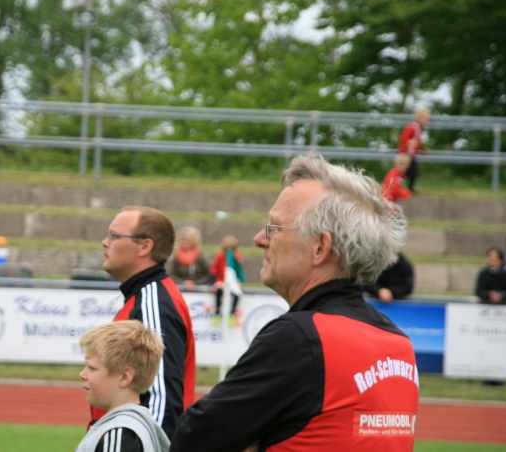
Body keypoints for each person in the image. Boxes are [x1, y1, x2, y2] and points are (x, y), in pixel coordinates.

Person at [171, 154, 418, 452]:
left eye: (274, 227)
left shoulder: (301, 338)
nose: (259, 238)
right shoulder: (399, 344)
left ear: (320, 247)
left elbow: (192, 440)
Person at [95, 206, 196, 438]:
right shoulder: (146, 297)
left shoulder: (153, 303)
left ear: (144, 246)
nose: (105, 242)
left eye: (114, 235)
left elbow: (160, 400)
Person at [76, 320, 170, 452]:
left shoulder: (119, 434)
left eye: (92, 368)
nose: (82, 374)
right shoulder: (141, 423)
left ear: (125, 377)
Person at [209, 235, 245, 323]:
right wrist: (215, 282)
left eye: (231, 248)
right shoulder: (220, 256)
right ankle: (217, 313)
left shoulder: (237, 257)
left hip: (233, 281)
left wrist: (240, 281)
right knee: (219, 292)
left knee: (236, 295)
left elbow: (239, 270)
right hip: (221, 280)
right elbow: (214, 269)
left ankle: (232, 314)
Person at [398, 107, 430, 192]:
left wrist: (421, 150)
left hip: (410, 154)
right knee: (404, 172)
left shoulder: (417, 128)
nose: (427, 121)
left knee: (411, 172)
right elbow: (405, 138)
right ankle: (400, 187)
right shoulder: (414, 127)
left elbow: (416, 142)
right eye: (426, 119)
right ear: (420, 118)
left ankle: (408, 188)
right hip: (406, 154)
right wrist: (407, 148)